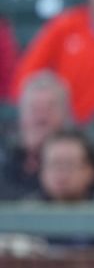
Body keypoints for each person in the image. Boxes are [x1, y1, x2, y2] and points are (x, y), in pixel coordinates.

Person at [0, 70, 73, 200]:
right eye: (34, 108)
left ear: (65, 115)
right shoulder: (6, 157)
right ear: (21, 115)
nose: (41, 115)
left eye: (50, 107)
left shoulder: (80, 160)